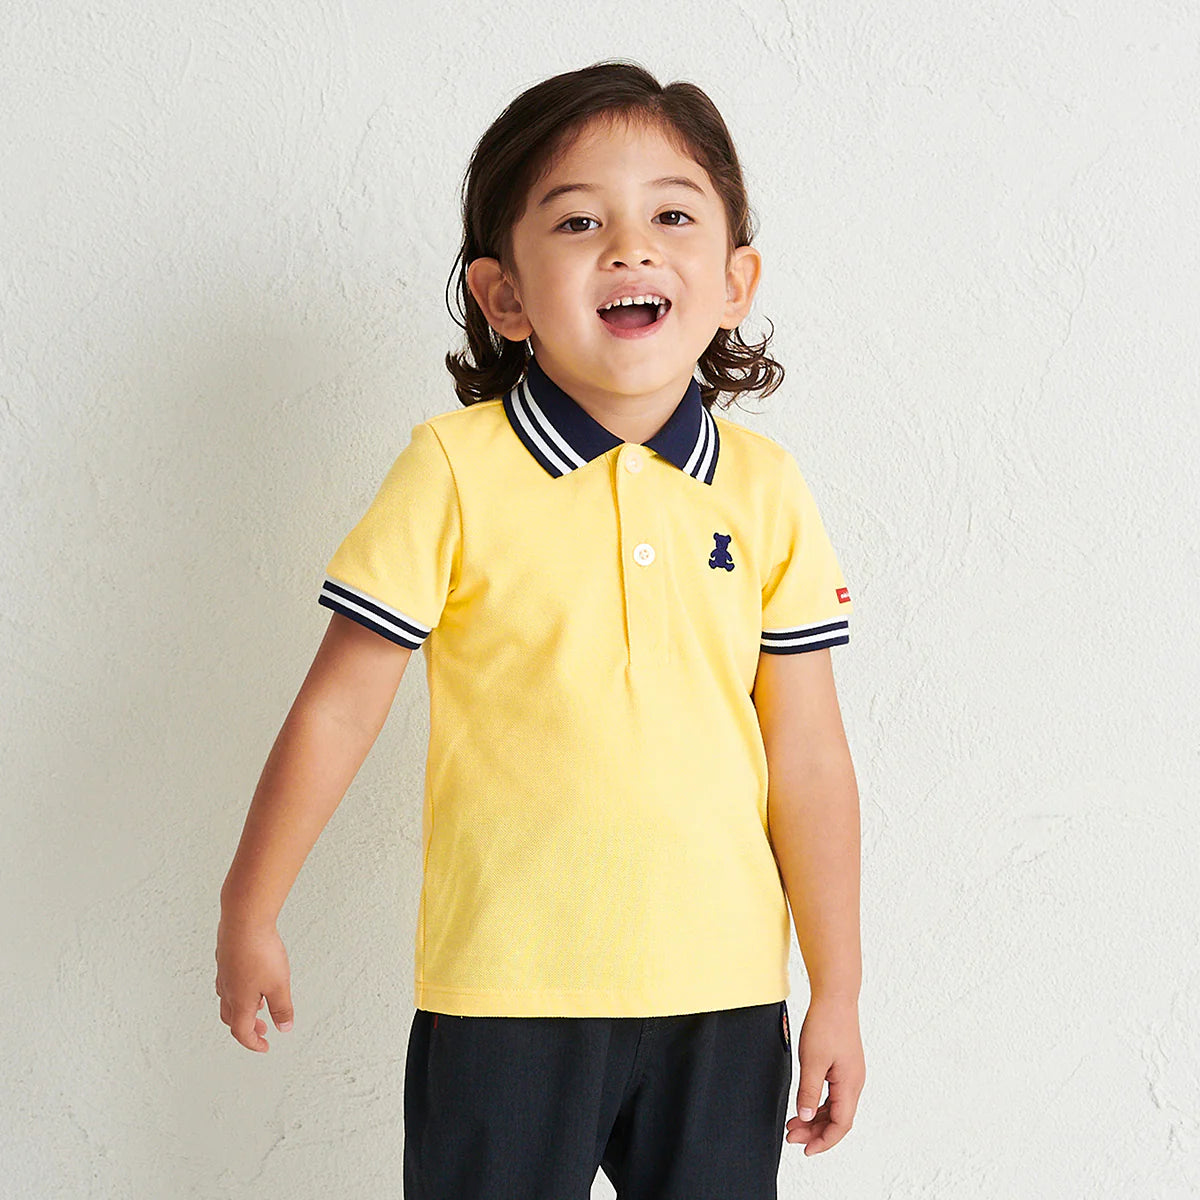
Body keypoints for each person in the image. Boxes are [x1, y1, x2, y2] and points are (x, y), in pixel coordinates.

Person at [215, 59, 865, 1199]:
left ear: (734, 280)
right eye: (578, 222)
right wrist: (249, 906)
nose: (630, 248)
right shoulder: (452, 471)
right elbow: (338, 708)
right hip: (506, 995)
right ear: (505, 296)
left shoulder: (766, 489)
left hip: (724, 998)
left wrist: (839, 991)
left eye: (672, 216)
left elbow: (807, 755)